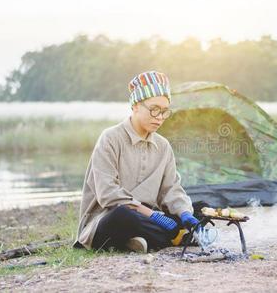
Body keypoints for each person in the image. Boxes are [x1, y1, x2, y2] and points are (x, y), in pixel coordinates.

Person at [73, 71, 199, 253]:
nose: (160, 117)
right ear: (136, 106)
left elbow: (171, 189)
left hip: (148, 218)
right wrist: (152, 215)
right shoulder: (110, 138)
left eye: (165, 111)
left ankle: (137, 241)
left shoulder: (163, 146)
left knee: (197, 207)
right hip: (109, 218)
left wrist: (185, 213)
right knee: (124, 216)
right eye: (154, 109)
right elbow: (107, 193)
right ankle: (176, 238)